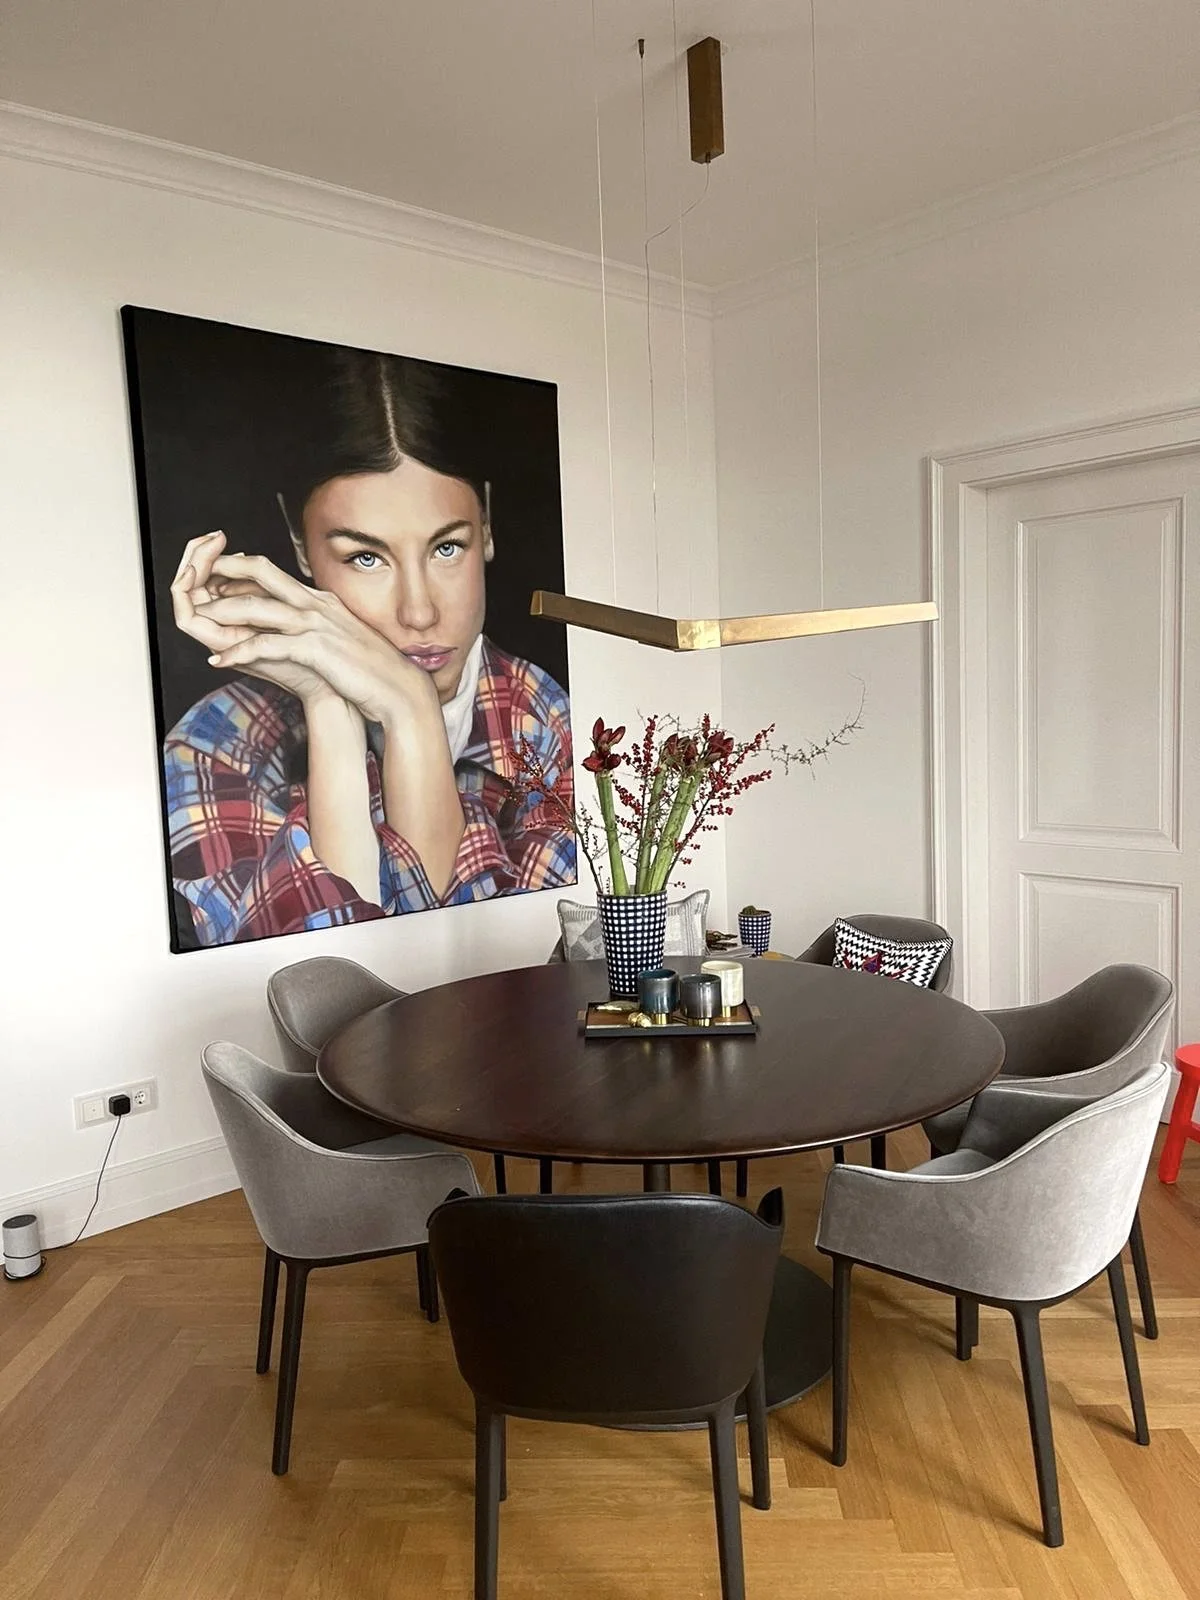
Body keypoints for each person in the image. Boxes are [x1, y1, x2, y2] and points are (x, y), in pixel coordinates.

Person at [165, 349, 574, 946]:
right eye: (366, 557)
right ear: (301, 550)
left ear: (485, 527)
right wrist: (326, 700)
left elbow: (480, 968)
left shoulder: (541, 712)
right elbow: (322, 978)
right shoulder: (216, 747)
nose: (420, 612)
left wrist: (410, 710)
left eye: (446, 548)